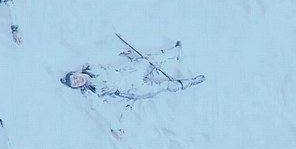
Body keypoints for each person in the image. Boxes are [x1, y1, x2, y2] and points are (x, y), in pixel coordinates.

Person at [60, 42, 205, 101]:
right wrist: (115, 128)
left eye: (75, 78)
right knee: (162, 86)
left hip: (130, 72)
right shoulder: (90, 92)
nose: (78, 81)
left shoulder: (91, 67)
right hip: (132, 90)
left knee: (148, 60)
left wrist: (119, 51)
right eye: (76, 84)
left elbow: (103, 57)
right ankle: (189, 82)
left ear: (76, 73)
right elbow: (101, 110)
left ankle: (175, 51)